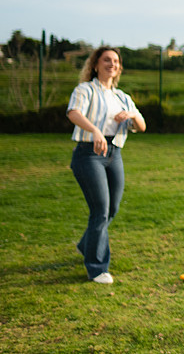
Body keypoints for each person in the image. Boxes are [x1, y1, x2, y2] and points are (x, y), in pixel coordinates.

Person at [67, 46, 146, 284]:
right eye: (106, 60)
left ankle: (86, 244)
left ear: (119, 68)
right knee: (100, 210)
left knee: (112, 209)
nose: (112, 64)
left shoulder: (122, 97)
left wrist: (131, 115)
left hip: (114, 154)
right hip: (89, 154)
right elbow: (73, 113)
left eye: (116, 61)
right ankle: (97, 268)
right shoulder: (85, 90)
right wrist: (95, 131)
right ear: (95, 65)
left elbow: (142, 126)